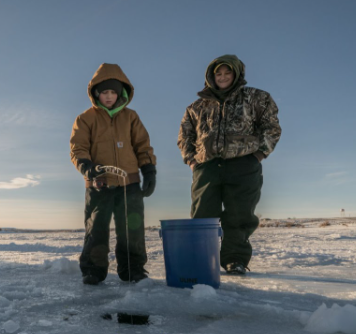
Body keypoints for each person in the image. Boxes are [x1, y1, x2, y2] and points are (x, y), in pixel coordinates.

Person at [177, 54, 282, 275]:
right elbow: (185, 135)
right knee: (202, 215)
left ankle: (235, 260)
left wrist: (259, 155)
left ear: (236, 74)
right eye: (218, 73)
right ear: (210, 77)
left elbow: (271, 127)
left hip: (244, 165)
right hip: (206, 166)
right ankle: (202, 260)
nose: (223, 77)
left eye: (227, 72)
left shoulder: (256, 98)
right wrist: (192, 161)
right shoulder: (195, 106)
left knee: (239, 215)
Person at [70, 63, 157, 285]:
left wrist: (148, 170)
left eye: (113, 92)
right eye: (104, 92)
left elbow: (143, 146)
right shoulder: (85, 119)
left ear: (121, 93)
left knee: (132, 228)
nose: (108, 97)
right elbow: (78, 149)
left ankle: (133, 269)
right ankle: (93, 270)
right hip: (99, 183)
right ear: (96, 93)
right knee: (96, 228)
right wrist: (87, 168)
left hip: (130, 183)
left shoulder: (131, 117)